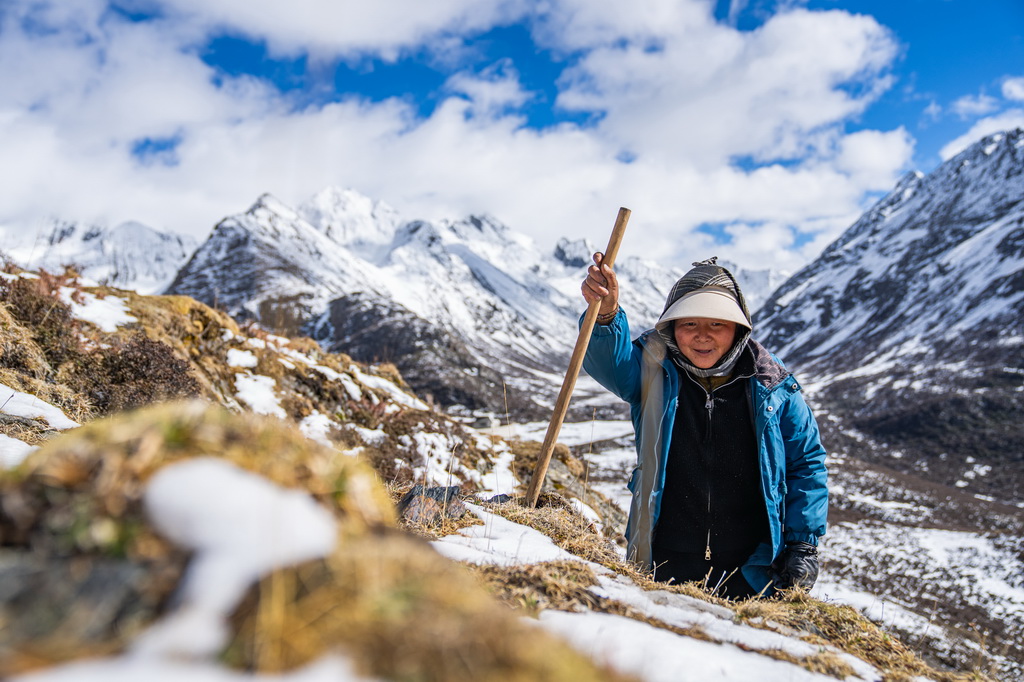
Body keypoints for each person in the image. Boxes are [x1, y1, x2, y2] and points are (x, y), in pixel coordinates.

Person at [581, 254, 827, 599]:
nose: (702, 336)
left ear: (739, 329)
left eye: (716, 324)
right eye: (689, 323)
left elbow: (806, 462)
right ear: (671, 327)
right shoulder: (652, 369)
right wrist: (606, 316)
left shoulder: (772, 384)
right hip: (661, 560)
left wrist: (803, 543)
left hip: (752, 569)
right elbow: (611, 364)